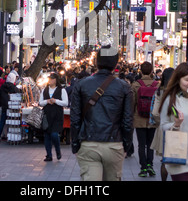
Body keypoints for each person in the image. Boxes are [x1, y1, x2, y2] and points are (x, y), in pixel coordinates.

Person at [70, 46, 133, 181]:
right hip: (114, 143)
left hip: (88, 142)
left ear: (96, 62)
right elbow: (127, 120)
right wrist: (126, 145)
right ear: (116, 64)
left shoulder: (81, 85)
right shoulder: (124, 87)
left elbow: (75, 118)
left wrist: (75, 144)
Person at [131, 61, 160, 177]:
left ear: (141, 71)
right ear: (152, 71)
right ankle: (150, 165)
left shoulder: (135, 85)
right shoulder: (157, 85)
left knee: (141, 144)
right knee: (150, 144)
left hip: (139, 118)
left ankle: (143, 168)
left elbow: (132, 103)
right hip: (152, 118)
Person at [150, 66, 174, 181]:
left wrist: (161, 122)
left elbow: (155, 112)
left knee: (164, 160)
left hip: (163, 129)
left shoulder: (159, 91)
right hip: (178, 127)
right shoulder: (178, 91)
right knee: (177, 159)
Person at [39, 73, 68, 161]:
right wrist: (47, 101)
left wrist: (56, 101)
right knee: (47, 135)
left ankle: (58, 150)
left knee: (54, 134)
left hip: (57, 115)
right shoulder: (44, 90)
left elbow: (66, 103)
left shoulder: (61, 90)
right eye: (49, 79)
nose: (50, 81)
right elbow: (40, 102)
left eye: (51, 79)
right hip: (47, 115)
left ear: (55, 80)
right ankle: (49, 155)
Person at [0, 72, 22, 142]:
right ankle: (10, 136)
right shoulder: (14, 88)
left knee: (2, 121)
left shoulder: (2, 86)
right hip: (13, 108)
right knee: (13, 122)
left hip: (4, 106)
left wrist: (0, 103)